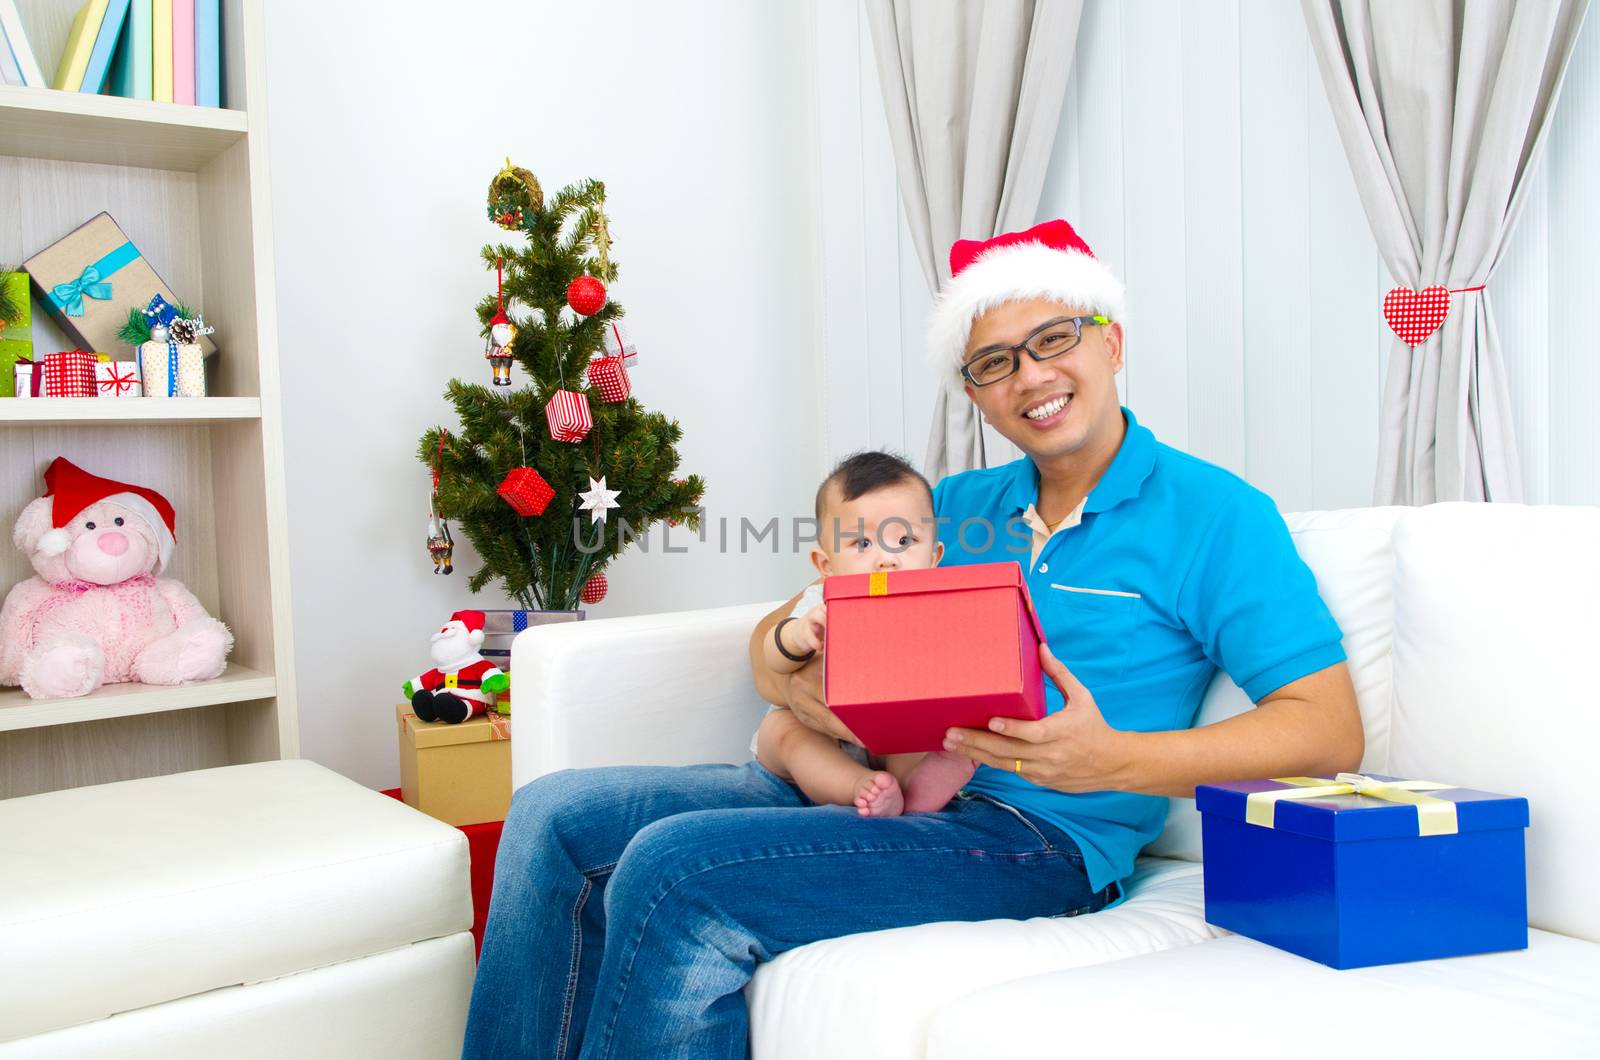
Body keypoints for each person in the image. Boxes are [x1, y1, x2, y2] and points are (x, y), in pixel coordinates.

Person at [462, 218, 1364, 1060]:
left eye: (1054, 339)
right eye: (995, 363)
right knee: (553, 815)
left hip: (1036, 838)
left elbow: (1327, 733)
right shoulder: (956, 510)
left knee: (676, 870)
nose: (1032, 377)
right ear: (976, 393)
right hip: (878, 779)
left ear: (1111, 341)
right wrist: (793, 668)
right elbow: (783, 629)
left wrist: (1114, 760)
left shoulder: (1219, 517)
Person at [754, 450, 978, 817]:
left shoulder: (935, 607)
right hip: (819, 735)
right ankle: (857, 786)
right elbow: (771, 656)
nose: (887, 559)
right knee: (783, 730)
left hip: (891, 732)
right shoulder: (823, 602)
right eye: (862, 544)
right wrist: (797, 637)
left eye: (904, 542)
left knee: (921, 733)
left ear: (935, 558)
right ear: (826, 565)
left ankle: (918, 793)